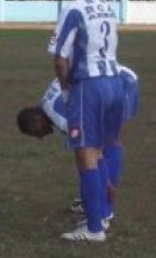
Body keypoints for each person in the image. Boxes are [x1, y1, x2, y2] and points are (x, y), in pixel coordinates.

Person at [48, 0, 122, 242]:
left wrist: (66, 89)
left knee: (86, 154)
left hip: (88, 86)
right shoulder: (106, 6)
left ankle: (93, 228)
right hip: (113, 81)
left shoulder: (73, 9)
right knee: (100, 150)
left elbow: (59, 57)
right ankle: (102, 214)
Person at [17, 65, 139, 227]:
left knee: (110, 141)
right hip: (108, 80)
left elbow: (93, 151)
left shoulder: (60, 116)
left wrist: (107, 184)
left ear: (38, 120)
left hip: (122, 83)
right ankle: (94, 199)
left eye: (35, 133)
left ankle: (105, 211)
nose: (39, 137)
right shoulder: (46, 104)